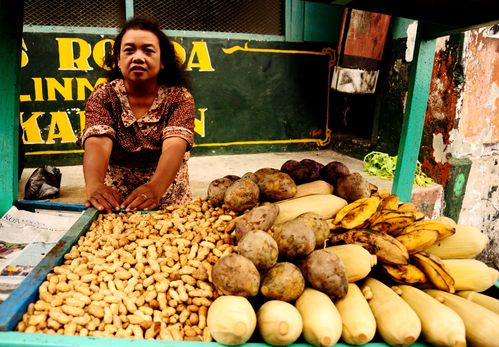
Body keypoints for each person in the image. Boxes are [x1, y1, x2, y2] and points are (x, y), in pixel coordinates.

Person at [79, 16, 195, 213]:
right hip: (115, 200)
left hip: (168, 197)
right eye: (129, 50)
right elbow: (98, 143)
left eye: (148, 51)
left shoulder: (179, 97)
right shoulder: (104, 96)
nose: (138, 57)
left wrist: (156, 188)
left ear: (163, 62)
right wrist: (95, 185)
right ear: (118, 59)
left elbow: (174, 146)